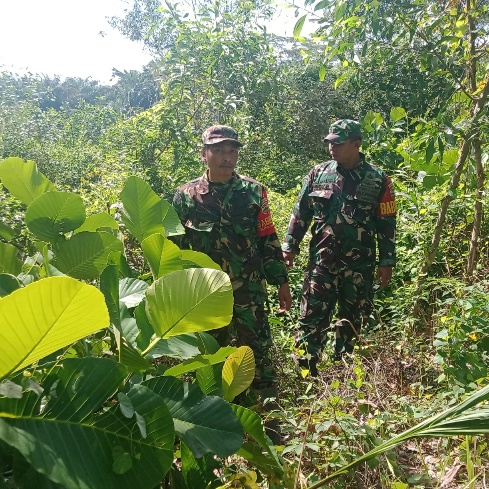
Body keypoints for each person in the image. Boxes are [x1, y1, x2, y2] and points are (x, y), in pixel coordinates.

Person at [172, 125, 292, 439]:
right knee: (208, 355)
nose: (227, 158)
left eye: (232, 151)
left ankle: (267, 422)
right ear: (204, 155)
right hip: (204, 294)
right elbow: (176, 249)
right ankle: (210, 422)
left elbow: (267, 238)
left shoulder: (254, 192)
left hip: (248, 289)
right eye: (219, 151)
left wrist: (281, 282)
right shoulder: (185, 197)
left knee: (257, 352)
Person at [282, 119, 396, 376]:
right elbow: (300, 213)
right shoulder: (318, 173)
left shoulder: (378, 179)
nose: (331, 147)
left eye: (338, 143)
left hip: (359, 265)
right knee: (311, 318)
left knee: (352, 320)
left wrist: (387, 261)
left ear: (356, 144)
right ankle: (305, 374)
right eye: (329, 142)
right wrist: (289, 245)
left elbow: (387, 224)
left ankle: (344, 375)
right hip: (321, 262)